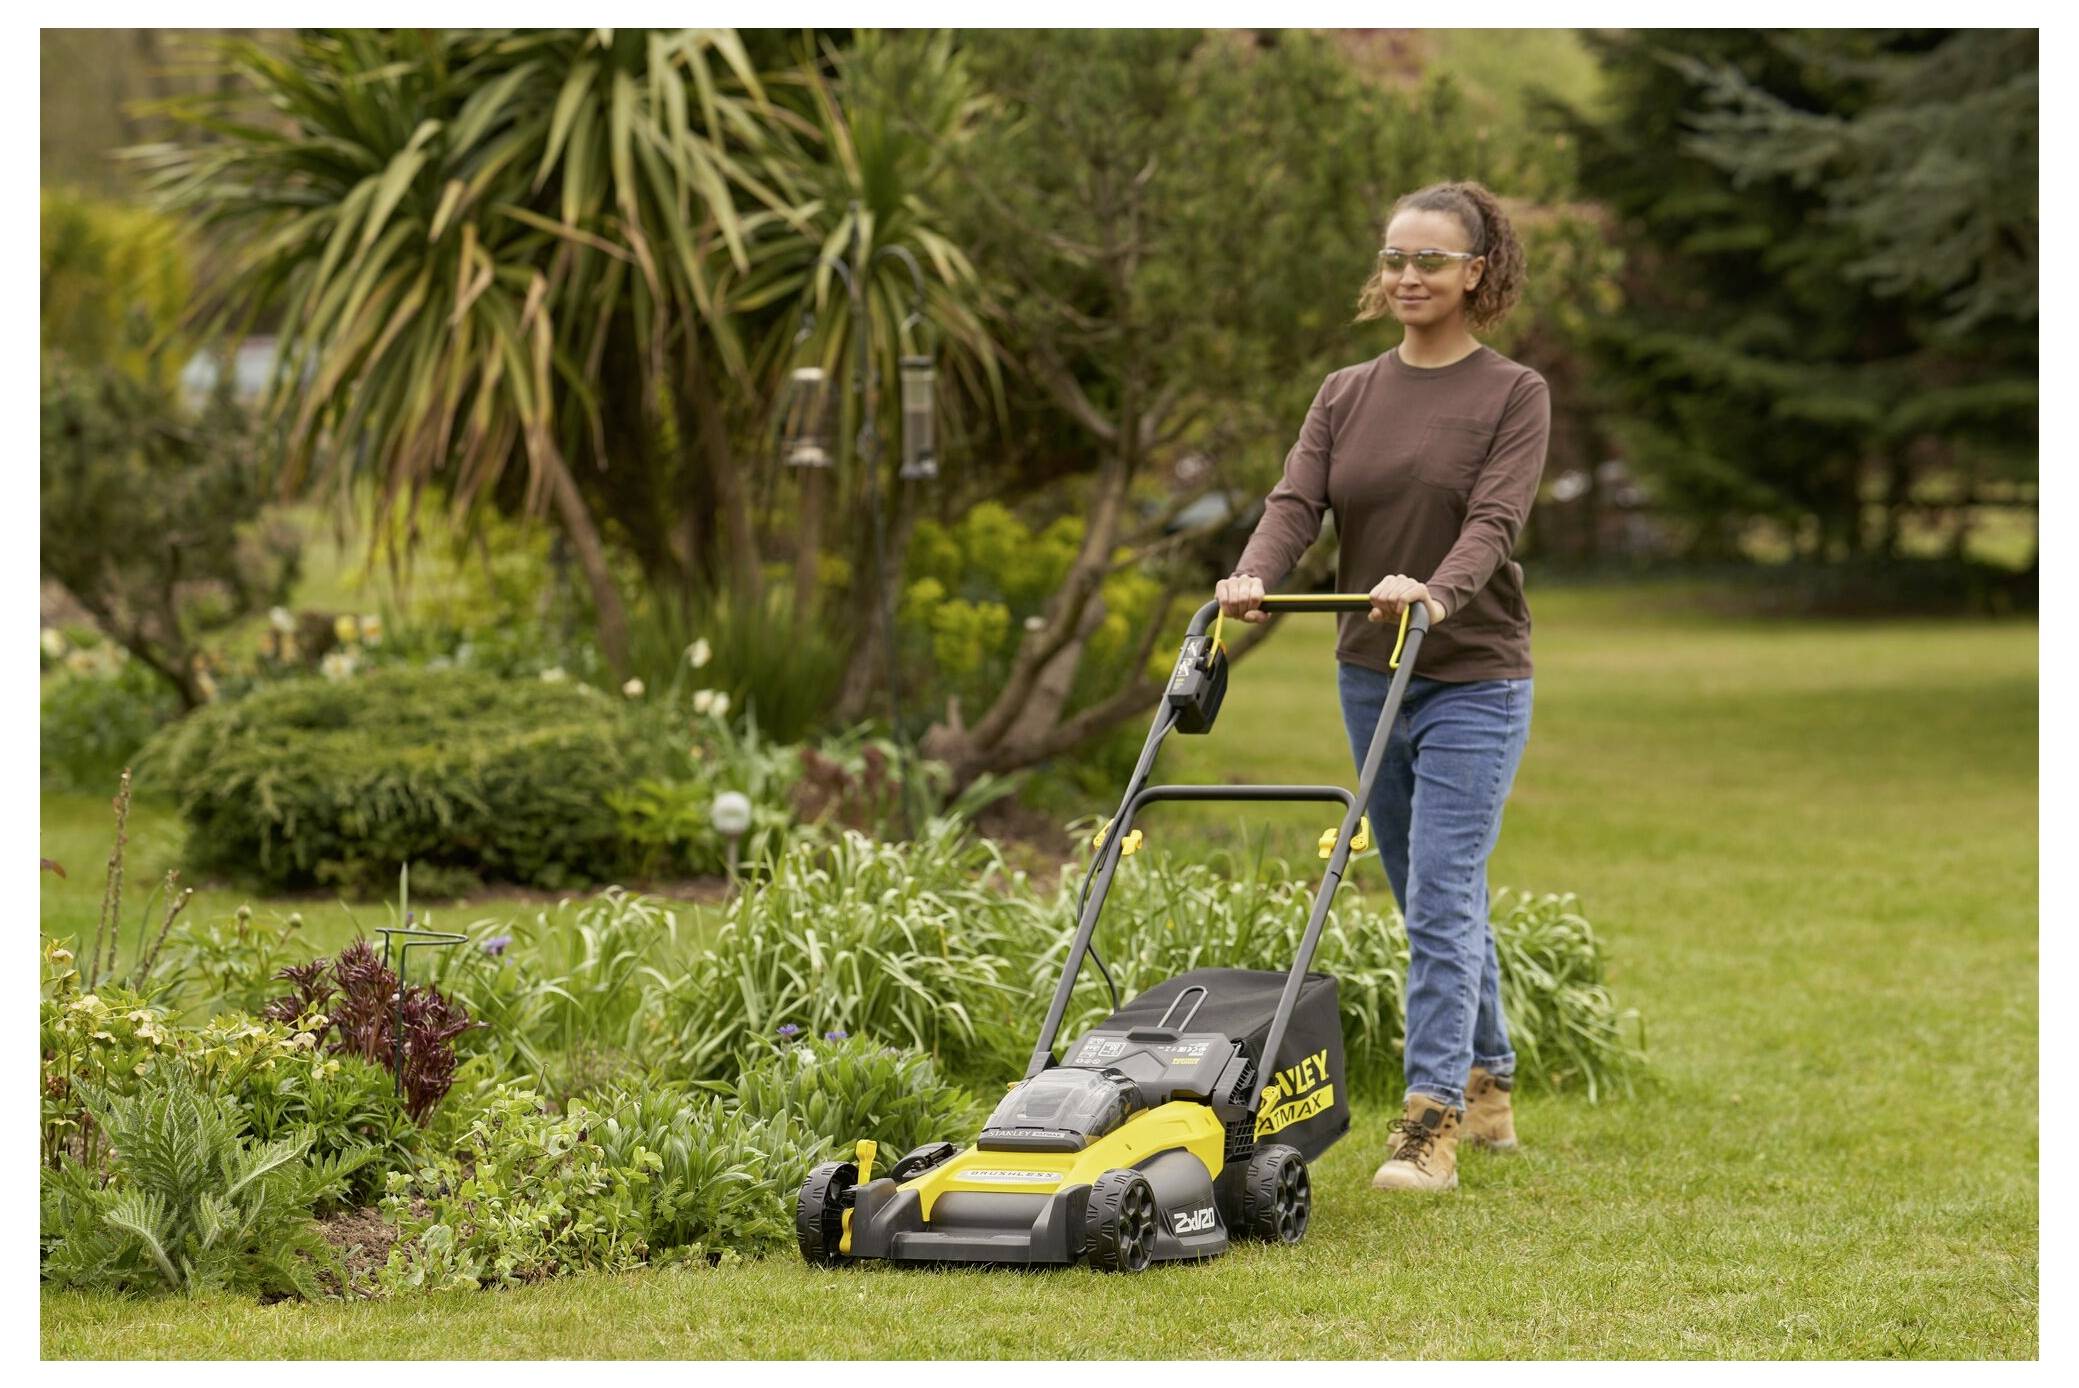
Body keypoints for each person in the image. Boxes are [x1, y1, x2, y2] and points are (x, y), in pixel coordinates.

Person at [1216, 180, 1550, 1194]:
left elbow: (1493, 525)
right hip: (1371, 674)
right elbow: (1294, 502)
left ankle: (1430, 1120)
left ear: (1475, 271)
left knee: (1444, 893)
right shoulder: (1345, 391)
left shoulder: (1512, 392)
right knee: (1425, 893)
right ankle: (1489, 1082)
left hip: (1473, 677)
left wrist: (1435, 593)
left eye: (1431, 261)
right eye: (1396, 258)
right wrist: (1254, 573)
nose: (1407, 276)